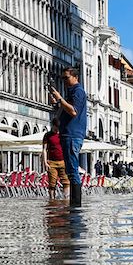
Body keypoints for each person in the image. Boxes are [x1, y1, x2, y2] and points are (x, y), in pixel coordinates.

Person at [51, 66, 88, 207]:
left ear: (75, 77)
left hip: (72, 134)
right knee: (70, 170)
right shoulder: (71, 93)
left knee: (72, 170)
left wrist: (60, 99)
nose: (64, 81)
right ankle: (74, 206)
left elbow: (73, 112)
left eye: (66, 78)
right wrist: (57, 103)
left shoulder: (78, 92)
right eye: (63, 78)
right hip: (68, 134)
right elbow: (66, 111)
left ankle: (76, 207)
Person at [42, 128, 69, 198]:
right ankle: (52, 200)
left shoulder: (63, 134)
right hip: (51, 162)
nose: (57, 130)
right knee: (52, 184)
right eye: (56, 128)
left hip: (63, 161)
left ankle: (66, 199)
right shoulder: (47, 135)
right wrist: (45, 162)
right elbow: (44, 149)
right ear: (53, 126)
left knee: (66, 182)